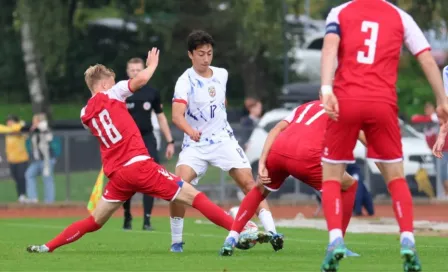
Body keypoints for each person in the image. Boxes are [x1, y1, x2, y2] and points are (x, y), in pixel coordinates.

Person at [26, 49, 264, 253]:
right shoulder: (113, 92)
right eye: (112, 80)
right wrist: (151, 66)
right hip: (139, 166)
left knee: (95, 221)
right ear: (105, 84)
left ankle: (48, 246)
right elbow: (138, 82)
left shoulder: (84, 114)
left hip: (118, 175)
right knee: (195, 197)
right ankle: (240, 230)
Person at [319, 1, 448, 271]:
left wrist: (326, 87)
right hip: (382, 103)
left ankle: (335, 241)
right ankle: (408, 241)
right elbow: (425, 57)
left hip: (346, 100)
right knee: (396, 177)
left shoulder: (340, 11)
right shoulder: (401, 17)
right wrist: (441, 100)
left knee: (332, 176)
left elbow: (329, 47)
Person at [170, 30, 281, 253]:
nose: (206, 58)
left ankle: (273, 233)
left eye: (209, 53)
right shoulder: (185, 81)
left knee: (250, 184)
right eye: (201, 53)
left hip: (223, 140)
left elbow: (220, 100)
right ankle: (176, 242)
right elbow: (176, 115)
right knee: (177, 186)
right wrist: (191, 131)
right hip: (196, 144)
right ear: (191, 54)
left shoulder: (222, 74)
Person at [219, 100, 359, 257]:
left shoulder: (305, 106)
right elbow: (359, 135)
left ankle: (231, 239)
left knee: (259, 191)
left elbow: (276, 129)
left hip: (279, 149)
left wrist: (262, 162)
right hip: (307, 155)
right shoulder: (342, 109)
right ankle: (337, 244)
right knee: (348, 184)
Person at [122, 57, 175, 231]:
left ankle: (147, 220)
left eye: (139, 70)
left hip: (147, 138)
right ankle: (127, 217)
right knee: (126, 180)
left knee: (150, 178)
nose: (136, 73)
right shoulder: (121, 91)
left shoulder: (152, 92)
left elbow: (160, 117)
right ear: (128, 71)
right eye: (132, 70)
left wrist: (169, 141)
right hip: (127, 141)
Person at [412, 101, 448, 198]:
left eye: (429, 109)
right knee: (440, 172)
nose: (427, 111)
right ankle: (444, 193)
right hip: (435, 151)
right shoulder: (427, 121)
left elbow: (434, 118)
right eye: (426, 109)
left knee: (444, 173)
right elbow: (414, 119)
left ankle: (445, 193)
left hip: (444, 149)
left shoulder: (437, 117)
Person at [25, 113, 57, 204]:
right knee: (29, 174)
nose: (33, 122)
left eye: (35, 121)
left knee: (47, 178)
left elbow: (49, 137)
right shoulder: (35, 131)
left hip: (47, 159)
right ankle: (33, 198)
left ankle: (49, 202)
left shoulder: (45, 128)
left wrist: (39, 126)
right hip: (37, 160)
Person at [0, 115, 29, 203]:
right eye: (8, 121)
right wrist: (12, 128)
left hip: (22, 159)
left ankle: (23, 195)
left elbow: (21, 128)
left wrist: (18, 125)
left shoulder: (20, 129)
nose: (9, 123)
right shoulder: (8, 130)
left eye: (11, 121)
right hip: (12, 160)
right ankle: (20, 196)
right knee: (16, 178)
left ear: (15, 121)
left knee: (21, 177)